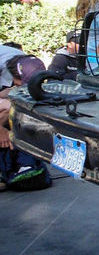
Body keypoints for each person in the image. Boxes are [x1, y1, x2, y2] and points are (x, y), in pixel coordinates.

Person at [0, 47, 51, 190]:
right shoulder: (14, 65)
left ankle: (17, 165)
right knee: (9, 107)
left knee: (12, 105)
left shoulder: (23, 62)